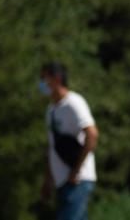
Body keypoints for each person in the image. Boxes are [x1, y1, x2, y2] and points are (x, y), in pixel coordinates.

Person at [39, 61, 99, 220]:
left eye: (44, 78)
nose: (41, 83)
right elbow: (51, 147)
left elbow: (92, 134)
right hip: (62, 181)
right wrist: (48, 179)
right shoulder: (51, 110)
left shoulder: (74, 103)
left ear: (57, 79)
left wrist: (76, 170)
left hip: (77, 180)